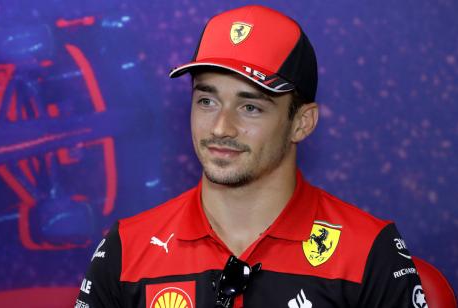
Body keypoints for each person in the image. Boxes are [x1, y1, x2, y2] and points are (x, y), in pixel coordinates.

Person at [75, 5, 427, 308]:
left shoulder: (366, 250)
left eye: (250, 107)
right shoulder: (127, 248)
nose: (220, 128)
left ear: (302, 123)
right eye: (207, 101)